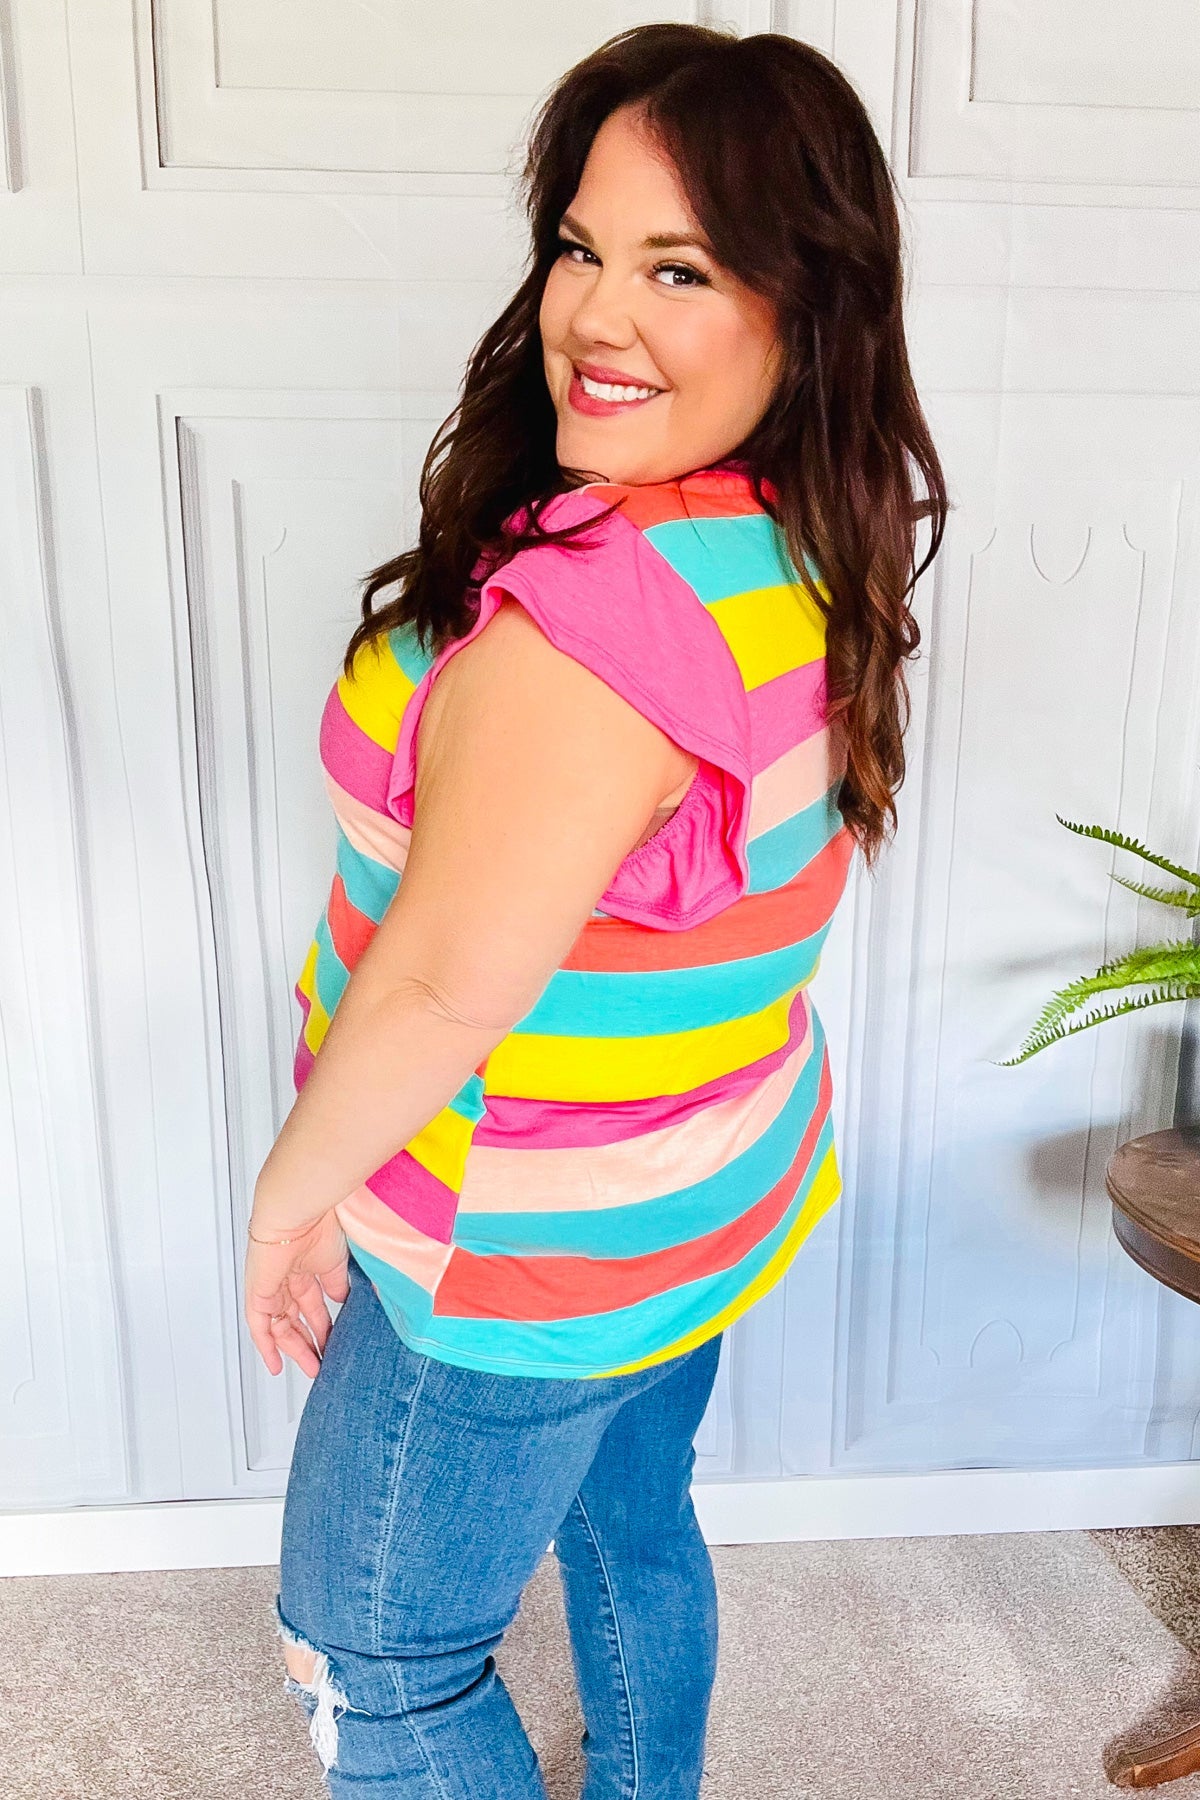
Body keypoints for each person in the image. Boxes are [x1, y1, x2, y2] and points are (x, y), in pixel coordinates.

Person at [243, 22, 947, 1799]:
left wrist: (290, 1199)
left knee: (377, 1661)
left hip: (514, 1246)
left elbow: (441, 992)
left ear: (806, 311)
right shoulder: (799, 531)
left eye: (679, 269)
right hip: (703, 1187)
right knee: (632, 1523)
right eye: (581, 247)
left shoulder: (593, 632)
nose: (596, 314)